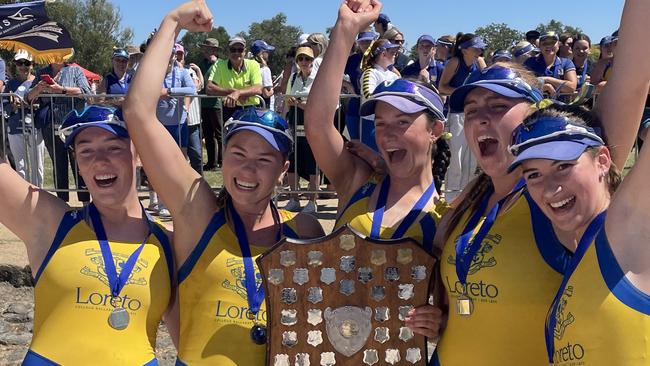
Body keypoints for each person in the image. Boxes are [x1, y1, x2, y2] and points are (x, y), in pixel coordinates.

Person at [122, 2, 324, 364]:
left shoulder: (304, 231)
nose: (247, 171)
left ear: (284, 169)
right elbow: (138, 111)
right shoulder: (198, 214)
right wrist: (172, 23)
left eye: (264, 160)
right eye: (238, 155)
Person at [508, 4, 650, 362]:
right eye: (534, 174)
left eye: (563, 166)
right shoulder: (578, 251)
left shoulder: (627, 232)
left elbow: (633, 79)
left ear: (603, 160)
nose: (549, 187)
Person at [305, 0, 447, 341]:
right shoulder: (358, 181)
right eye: (381, 122)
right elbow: (318, 123)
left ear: (435, 131)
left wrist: (439, 322)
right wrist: (345, 31)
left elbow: (449, 310)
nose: (387, 134)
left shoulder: (447, 218)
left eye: (402, 121)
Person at [0, 105, 175, 364]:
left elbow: (194, 344)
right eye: (85, 151)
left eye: (113, 147)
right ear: (78, 164)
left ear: (138, 155)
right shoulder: (49, 224)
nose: (99, 160)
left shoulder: (172, 244)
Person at [432, 63, 573, 365]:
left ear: (535, 114)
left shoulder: (556, 198)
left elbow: (630, 87)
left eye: (498, 106)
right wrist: (436, 319)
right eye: (471, 111)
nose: (481, 119)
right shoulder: (470, 201)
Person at [26, 55, 92, 203]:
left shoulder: (75, 71)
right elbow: (28, 98)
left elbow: (87, 93)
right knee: (58, 166)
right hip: (50, 126)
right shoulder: (41, 73)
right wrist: (37, 88)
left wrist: (61, 89)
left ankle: (86, 204)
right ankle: (62, 205)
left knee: (79, 165)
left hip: (72, 126)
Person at [439, 33, 487, 201]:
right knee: (456, 158)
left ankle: (467, 196)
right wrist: (462, 92)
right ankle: (451, 198)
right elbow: (442, 87)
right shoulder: (454, 63)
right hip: (457, 115)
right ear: (464, 49)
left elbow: (486, 83)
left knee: (473, 157)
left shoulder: (479, 63)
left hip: (474, 114)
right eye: (475, 48)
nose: (479, 51)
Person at [283, 47, 320, 213]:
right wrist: (296, 102)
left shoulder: (318, 78)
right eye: (301, 59)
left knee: (312, 164)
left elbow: (316, 104)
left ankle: (312, 201)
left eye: (307, 59)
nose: (304, 62)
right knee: (293, 162)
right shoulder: (292, 77)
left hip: (312, 124)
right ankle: (294, 198)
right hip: (294, 123)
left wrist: (298, 102)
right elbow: (287, 100)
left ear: (313, 60)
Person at [6, 49, 45, 187]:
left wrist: (31, 104)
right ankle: (23, 200)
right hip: (15, 128)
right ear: (15, 64)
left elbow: (44, 104)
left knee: (37, 165)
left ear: (32, 65)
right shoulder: (10, 84)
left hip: (35, 127)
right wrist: (14, 106)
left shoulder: (39, 82)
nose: (23, 66)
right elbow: (5, 105)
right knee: (20, 166)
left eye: (26, 63)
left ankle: (39, 196)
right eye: (19, 63)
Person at [207, 36, 263, 128]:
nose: (236, 53)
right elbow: (209, 88)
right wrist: (232, 92)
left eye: (240, 50)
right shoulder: (219, 65)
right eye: (233, 49)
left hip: (251, 109)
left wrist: (238, 93)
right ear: (228, 51)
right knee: (230, 140)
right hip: (229, 109)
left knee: (250, 141)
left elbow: (258, 88)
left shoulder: (253, 64)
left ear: (244, 52)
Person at [359, 39, 400, 151]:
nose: (395, 55)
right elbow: (368, 95)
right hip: (371, 123)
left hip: (390, 122)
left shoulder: (394, 76)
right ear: (383, 54)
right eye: (392, 52)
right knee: (372, 158)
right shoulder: (371, 73)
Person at [343, 31, 376, 141]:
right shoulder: (352, 60)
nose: (366, 44)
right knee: (356, 142)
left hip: (374, 107)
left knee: (371, 142)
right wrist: (347, 85)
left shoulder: (380, 58)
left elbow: (394, 73)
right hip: (355, 106)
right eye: (363, 42)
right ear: (358, 43)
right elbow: (334, 75)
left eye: (369, 41)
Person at [523, 31, 577, 97]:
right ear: (539, 46)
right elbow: (523, 85)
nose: (548, 46)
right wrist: (543, 87)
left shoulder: (566, 63)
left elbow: (571, 87)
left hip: (561, 105)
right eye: (544, 43)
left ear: (558, 44)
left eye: (552, 43)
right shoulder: (530, 63)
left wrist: (546, 79)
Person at [198, 37, 222, 171]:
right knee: (208, 134)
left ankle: (222, 161)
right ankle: (211, 162)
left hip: (216, 103)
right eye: (205, 48)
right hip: (205, 102)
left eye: (208, 48)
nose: (205, 50)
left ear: (214, 50)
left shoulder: (220, 64)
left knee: (219, 133)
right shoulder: (202, 63)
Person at [251, 40, 276, 108]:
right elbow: (266, 94)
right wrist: (274, 89)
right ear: (261, 53)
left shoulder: (249, 68)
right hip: (264, 107)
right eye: (267, 52)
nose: (268, 54)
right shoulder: (265, 69)